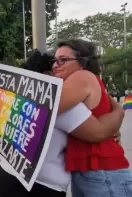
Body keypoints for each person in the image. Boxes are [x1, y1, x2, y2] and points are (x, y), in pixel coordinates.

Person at [0, 50, 124, 197]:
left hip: (8, 173)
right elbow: (99, 132)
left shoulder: (25, 99)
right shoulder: (55, 100)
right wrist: (118, 112)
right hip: (39, 186)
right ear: (47, 74)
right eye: (55, 65)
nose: (60, 70)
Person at [52, 39, 130, 197]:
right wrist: (117, 113)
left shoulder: (82, 76)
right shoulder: (84, 80)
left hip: (103, 172)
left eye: (63, 60)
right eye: (54, 60)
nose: (55, 65)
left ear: (82, 63)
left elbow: (46, 107)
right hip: (92, 172)